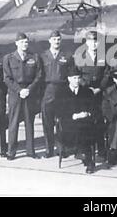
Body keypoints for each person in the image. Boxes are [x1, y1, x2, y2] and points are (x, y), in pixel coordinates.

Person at [3, 32, 42, 160]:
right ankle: (11, 152)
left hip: (29, 93)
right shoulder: (9, 58)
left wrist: (29, 89)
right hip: (15, 93)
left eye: (26, 42)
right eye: (21, 42)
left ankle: (30, 151)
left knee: (29, 122)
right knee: (13, 123)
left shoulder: (34, 57)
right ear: (16, 44)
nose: (24, 44)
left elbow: (38, 76)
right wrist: (19, 90)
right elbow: (7, 78)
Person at [55, 65, 97, 174]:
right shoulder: (61, 93)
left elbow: (93, 108)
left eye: (78, 78)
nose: (76, 80)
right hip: (68, 125)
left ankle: (88, 160)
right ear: (69, 79)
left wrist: (87, 113)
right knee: (78, 130)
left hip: (85, 123)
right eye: (74, 78)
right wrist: (74, 116)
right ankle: (84, 155)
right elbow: (59, 111)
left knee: (85, 129)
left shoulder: (87, 92)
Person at [74, 30, 108, 157]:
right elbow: (77, 74)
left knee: (99, 121)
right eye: (91, 41)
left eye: (96, 41)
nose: (93, 43)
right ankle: (83, 150)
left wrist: (100, 87)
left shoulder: (103, 56)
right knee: (85, 121)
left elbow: (107, 73)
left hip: (99, 94)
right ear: (86, 42)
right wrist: (87, 88)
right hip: (85, 94)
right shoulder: (80, 56)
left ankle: (101, 149)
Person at [40, 30, 71, 158]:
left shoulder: (66, 56)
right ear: (49, 41)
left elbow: (70, 74)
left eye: (58, 39)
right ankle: (49, 149)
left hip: (62, 91)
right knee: (47, 122)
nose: (56, 42)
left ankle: (61, 148)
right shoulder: (43, 56)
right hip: (47, 91)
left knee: (62, 122)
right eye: (54, 40)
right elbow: (39, 75)